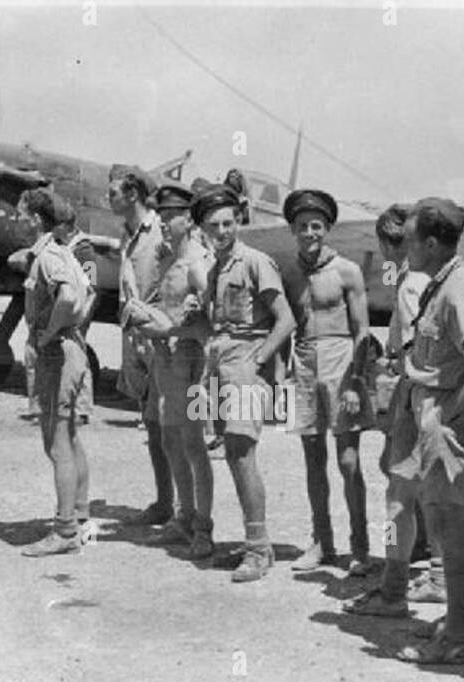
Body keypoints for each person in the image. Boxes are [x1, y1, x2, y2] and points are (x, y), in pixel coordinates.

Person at [345, 199, 464, 668]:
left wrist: (449, 410)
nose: (403, 246)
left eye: (410, 239)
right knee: (446, 524)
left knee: (450, 529)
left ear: (432, 243)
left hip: (443, 417)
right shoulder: (438, 285)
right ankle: (459, 624)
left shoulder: (454, 291)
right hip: (429, 408)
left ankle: (456, 637)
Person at [189, 184, 295, 582]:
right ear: (202, 229)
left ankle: (258, 549)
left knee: (242, 452)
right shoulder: (216, 268)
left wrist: (261, 360)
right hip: (218, 363)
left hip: (245, 368)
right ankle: (252, 543)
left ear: (239, 222)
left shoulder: (255, 261)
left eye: (229, 223)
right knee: (229, 452)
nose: (222, 231)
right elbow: (215, 327)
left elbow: (285, 320)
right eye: (214, 225)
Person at [281, 189, 374, 576]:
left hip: (341, 363)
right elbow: (283, 323)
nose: (309, 233)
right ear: (293, 229)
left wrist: (355, 382)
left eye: (316, 226)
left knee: (348, 460)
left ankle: (361, 547)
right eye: (302, 227)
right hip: (304, 361)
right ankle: (322, 542)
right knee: (312, 458)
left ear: (328, 228)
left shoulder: (347, 271)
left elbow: (363, 330)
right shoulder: (288, 272)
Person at [122, 182, 215, 557]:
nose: (163, 221)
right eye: (160, 215)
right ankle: (183, 517)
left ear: (189, 219)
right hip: (167, 361)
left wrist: (169, 328)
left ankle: (204, 530)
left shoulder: (198, 262)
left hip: (193, 363)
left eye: (172, 215)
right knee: (169, 439)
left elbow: (214, 322)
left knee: (194, 444)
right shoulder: (167, 258)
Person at [12, 188, 96, 557]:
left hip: (56, 351)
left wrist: (48, 332)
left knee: (56, 441)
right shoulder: (63, 250)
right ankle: (77, 514)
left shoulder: (46, 256)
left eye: (20, 214)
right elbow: (88, 293)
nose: (16, 220)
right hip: (72, 347)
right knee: (70, 436)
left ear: (35, 219)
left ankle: (64, 531)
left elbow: (68, 297)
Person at [373, 202, 447, 603]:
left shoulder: (409, 283)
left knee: (401, 489)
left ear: (389, 244)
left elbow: (414, 346)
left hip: (413, 389)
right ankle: (428, 564)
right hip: (424, 389)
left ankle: (408, 581)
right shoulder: (424, 277)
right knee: (411, 481)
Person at [110, 164, 175, 526]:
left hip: (162, 340)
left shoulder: (159, 233)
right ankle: (165, 503)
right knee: (152, 426)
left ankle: (185, 510)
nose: (109, 197)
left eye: (114, 191)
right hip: (136, 339)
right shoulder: (127, 235)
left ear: (132, 194)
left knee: (173, 428)